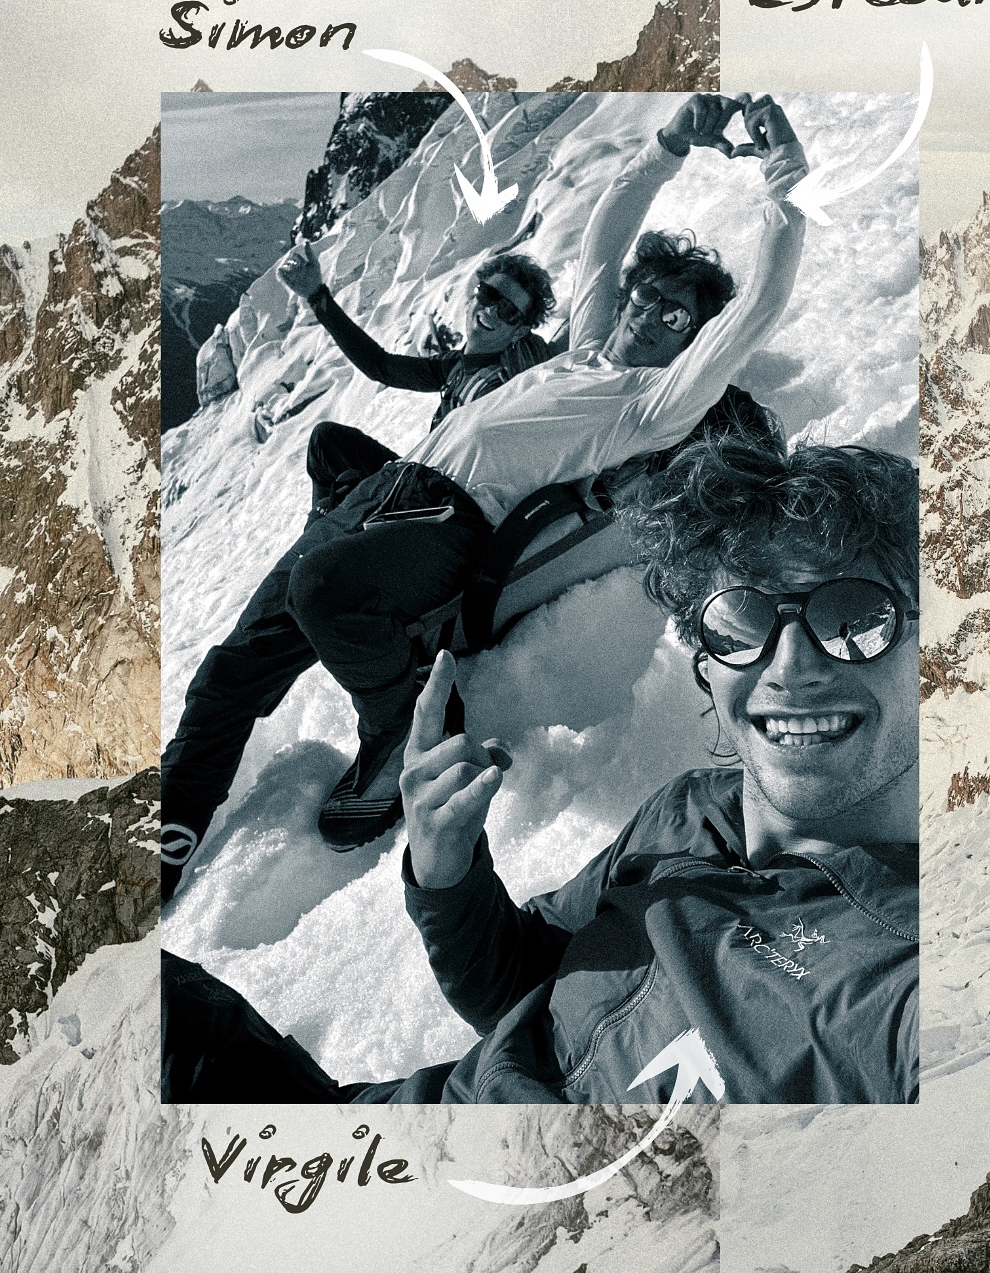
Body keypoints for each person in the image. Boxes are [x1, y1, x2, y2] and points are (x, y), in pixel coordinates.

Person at [161, 92, 808, 899]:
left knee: (319, 588)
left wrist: (783, 181)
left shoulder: (655, 402)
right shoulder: (587, 351)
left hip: (450, 523)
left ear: (692, 338)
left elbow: (755, 309)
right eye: (645, 296)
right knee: (230, 672)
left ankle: (402, 737)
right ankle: (163, 844)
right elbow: (609, 233)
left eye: (674, 314)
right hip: (386, 498)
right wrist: (669, 145)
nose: (646, 313)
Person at [161, 433, 919, 1105]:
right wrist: (449, 870)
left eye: (857, 619)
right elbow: (521, 988)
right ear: (706, 658)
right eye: (743, 619)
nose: (790, 667)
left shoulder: (903, 978)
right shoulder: (688, 811)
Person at [279, 249, 558, 523]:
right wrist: (317, 296)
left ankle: (322, 539)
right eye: (489, 295)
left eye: (508, 310)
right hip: (418, 478)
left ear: (519, 331)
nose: (491, 310)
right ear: (475, 294)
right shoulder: (456, 366)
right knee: (326, 441)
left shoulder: (503, 385)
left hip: (437, 506)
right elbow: (381, 366)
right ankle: (318, 536)